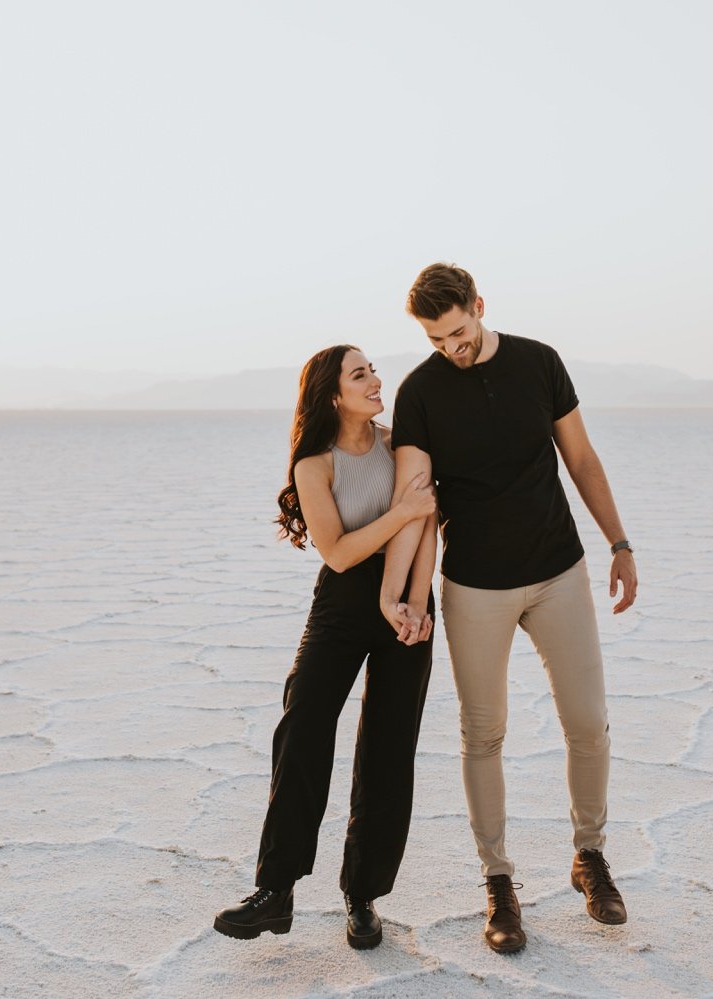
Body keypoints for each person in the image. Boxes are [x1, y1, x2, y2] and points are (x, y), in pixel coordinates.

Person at [379, 263, 639, 955]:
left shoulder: (539, 363)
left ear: (479, 307)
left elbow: (580, 458)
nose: (451, 348)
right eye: (436, 340)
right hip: (474, 586)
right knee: (483, 733)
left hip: (560, 571)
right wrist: (402, 595)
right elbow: (414, 503)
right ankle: (498, 881)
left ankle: (590, 856)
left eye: (458, 332)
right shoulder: (420, 393)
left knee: (587, 721)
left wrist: (619, 540)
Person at [213, 344, 438, 950]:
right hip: (343, 599)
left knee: (388, 747)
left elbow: (426, 524)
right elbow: (337, 552)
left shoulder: (401, 443)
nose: (374, 380)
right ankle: (276, 891)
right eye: (359, 374)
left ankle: (362, 896)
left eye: (373, 370)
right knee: (305, 721)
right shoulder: (315, 464)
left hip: (410, 594)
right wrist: (402, 511)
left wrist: (417, 604)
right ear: (333, 395)